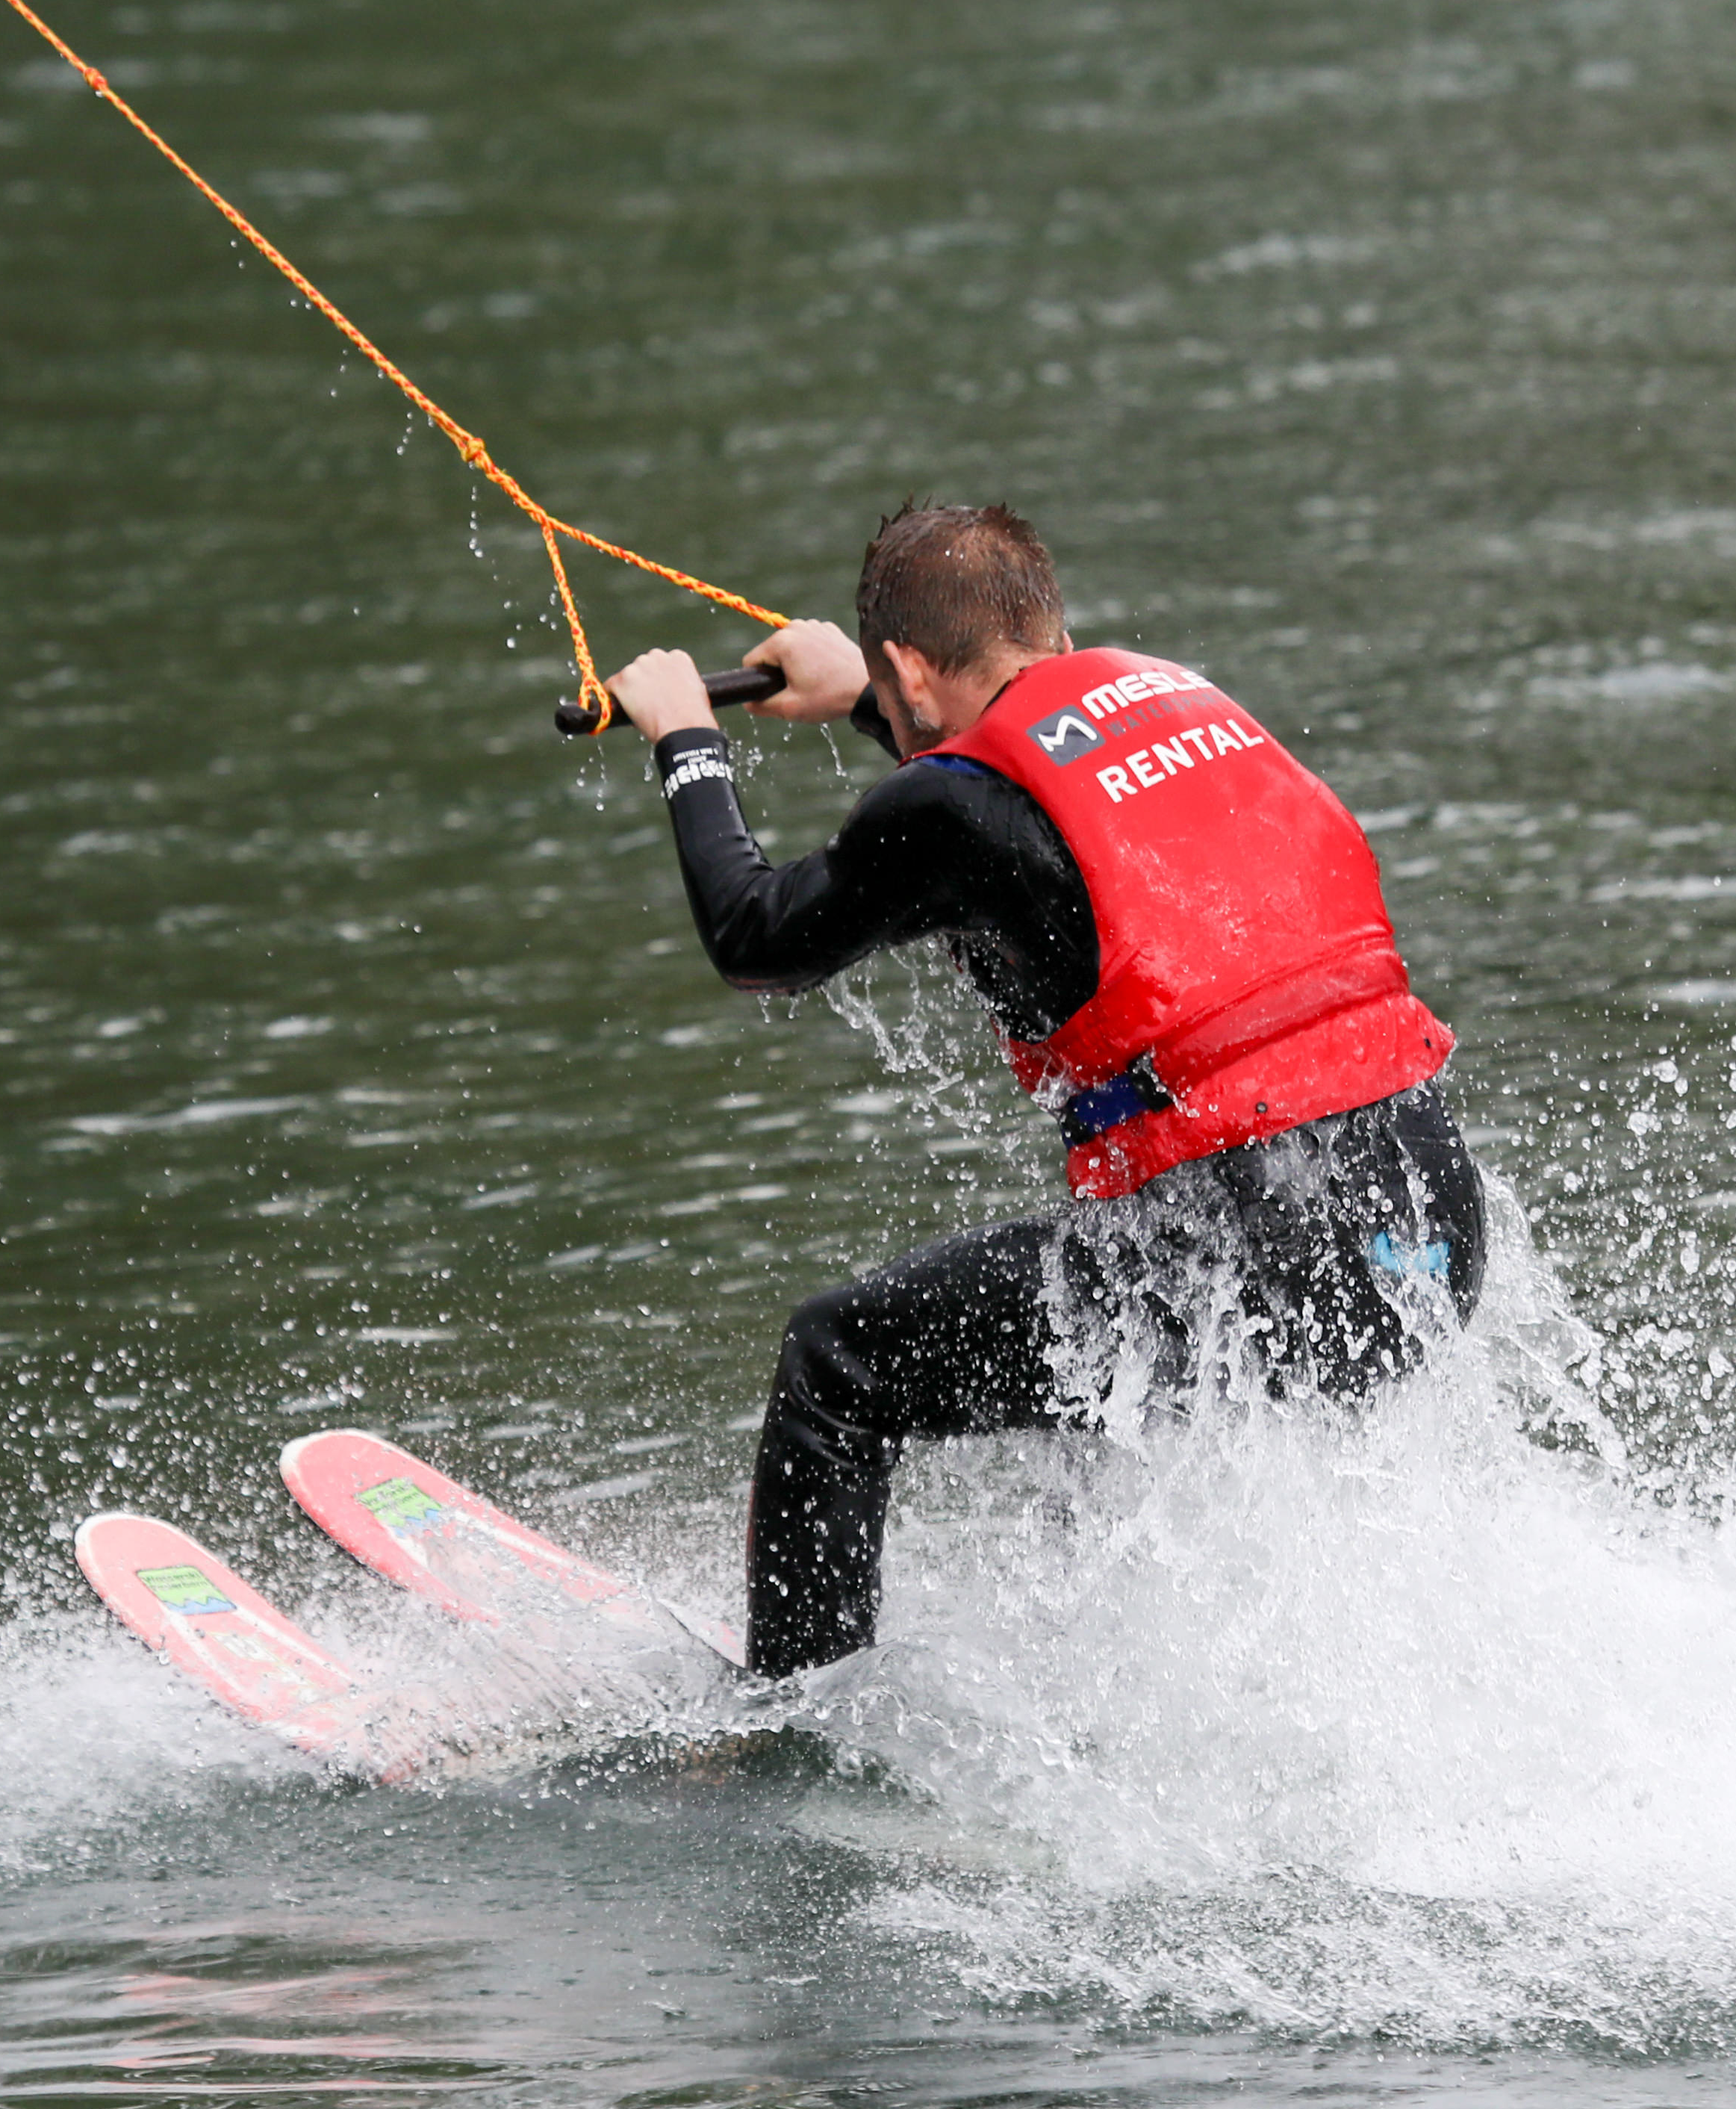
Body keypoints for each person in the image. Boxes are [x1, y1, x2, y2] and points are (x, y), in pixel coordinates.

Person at [598, 502, 1484, 1678]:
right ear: (1049, 629)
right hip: (1424, 1228)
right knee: (1105, 1399)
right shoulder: (1181, 702)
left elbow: (758, 935)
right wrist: (871, 700)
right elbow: (1020, 819)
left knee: (837, 1359)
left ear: (912, 667)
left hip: (1254, 1251)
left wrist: (685, 737)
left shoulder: (948, 807)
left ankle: (787, 1727)